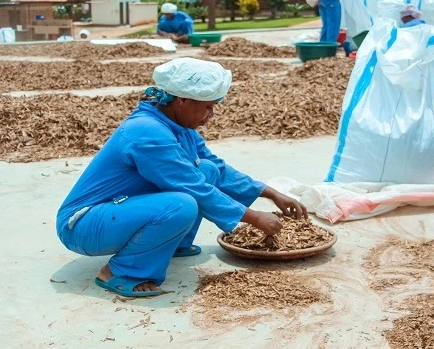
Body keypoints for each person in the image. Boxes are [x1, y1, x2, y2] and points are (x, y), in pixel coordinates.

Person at [56, 58, 307, 297]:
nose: (211, 114)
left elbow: (218, 169)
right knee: (181, 203)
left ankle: (170, 244)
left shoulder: (178, 127)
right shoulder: (147, 131)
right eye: (207, 107)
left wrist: (271, 193)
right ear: (182, 101)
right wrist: (254, 218)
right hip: (83, 225)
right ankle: (122, 273)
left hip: (116, 211)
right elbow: (192, 187)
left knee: (207, 169)